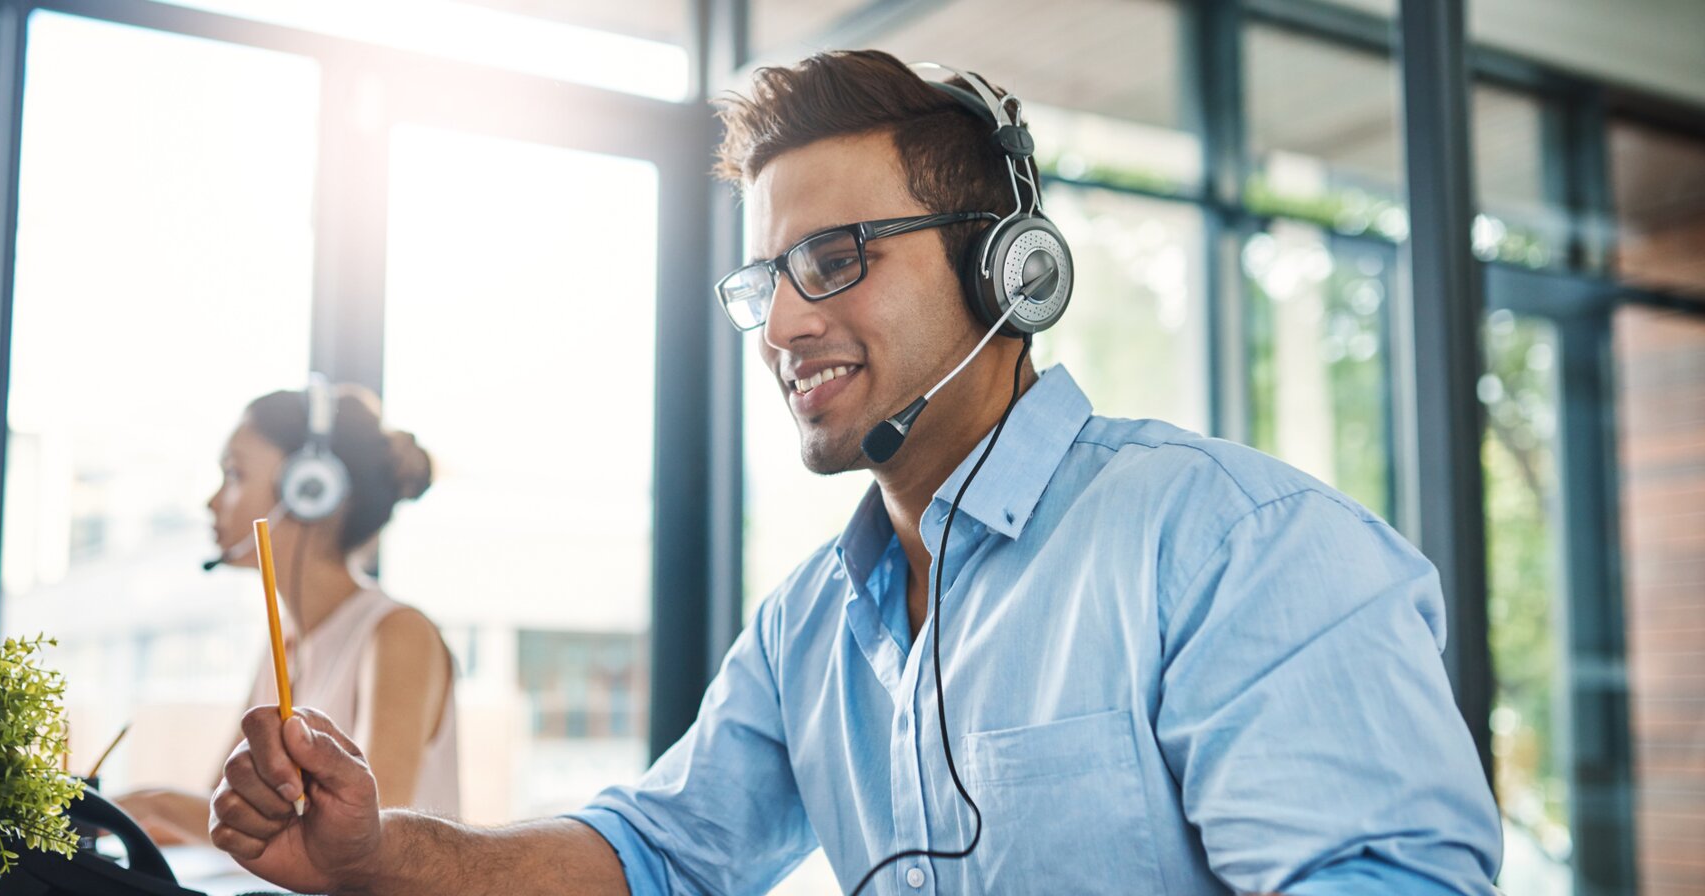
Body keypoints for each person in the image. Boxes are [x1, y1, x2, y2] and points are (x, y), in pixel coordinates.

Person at [204, 51, 1502, 894]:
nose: (779, 325)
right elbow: (656, 850)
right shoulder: (808, 629)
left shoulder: (1234, 545)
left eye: (837, 260)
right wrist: (376, 854)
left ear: (1011, 269)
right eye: (767, 279)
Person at [117, 382, 459, 844]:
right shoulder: (287, 643)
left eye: (235, 475)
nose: (212, 502)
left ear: (308, 489)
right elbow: (225, 814)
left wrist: (154, 803)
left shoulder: (399, 635)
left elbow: (369, 838)